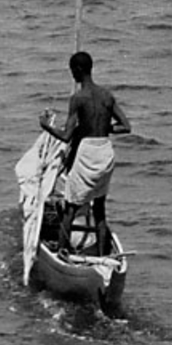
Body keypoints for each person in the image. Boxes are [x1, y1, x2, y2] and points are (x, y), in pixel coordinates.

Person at [38, 52, 131, 254]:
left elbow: (66, 136)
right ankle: (102, 254)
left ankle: (62, 251)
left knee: (70, 208)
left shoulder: (78, 98)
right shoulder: (107, 96)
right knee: (99, 208)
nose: (72, 75)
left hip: (87, 152)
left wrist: (46, 126)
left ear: (79, 69)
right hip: (105, 151)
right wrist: (104, 128)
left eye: (73, 71)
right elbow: (126, 127)